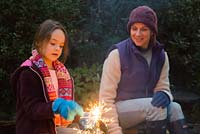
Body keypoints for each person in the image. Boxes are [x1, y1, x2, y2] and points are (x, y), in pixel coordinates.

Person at [99, 6, 188, 134]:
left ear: (152, 31)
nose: (138, 34)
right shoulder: (117, 54)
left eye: (144, 29)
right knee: (155, 108)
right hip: (119, 111)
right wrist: (114, 130)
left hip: (147, 109)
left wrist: (165, 94)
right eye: (134, 29)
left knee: (175, 108)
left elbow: (163, 87)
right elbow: (105, 99)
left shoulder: (161, 55)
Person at [11, 19, 83, 134]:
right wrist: (55, 106)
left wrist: (75, 113)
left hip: (56, 128)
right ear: (39, 42)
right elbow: (32, 109)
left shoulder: (62, 72)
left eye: (61, 46)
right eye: (53, 43)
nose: (57, 49)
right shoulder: (28, 72)